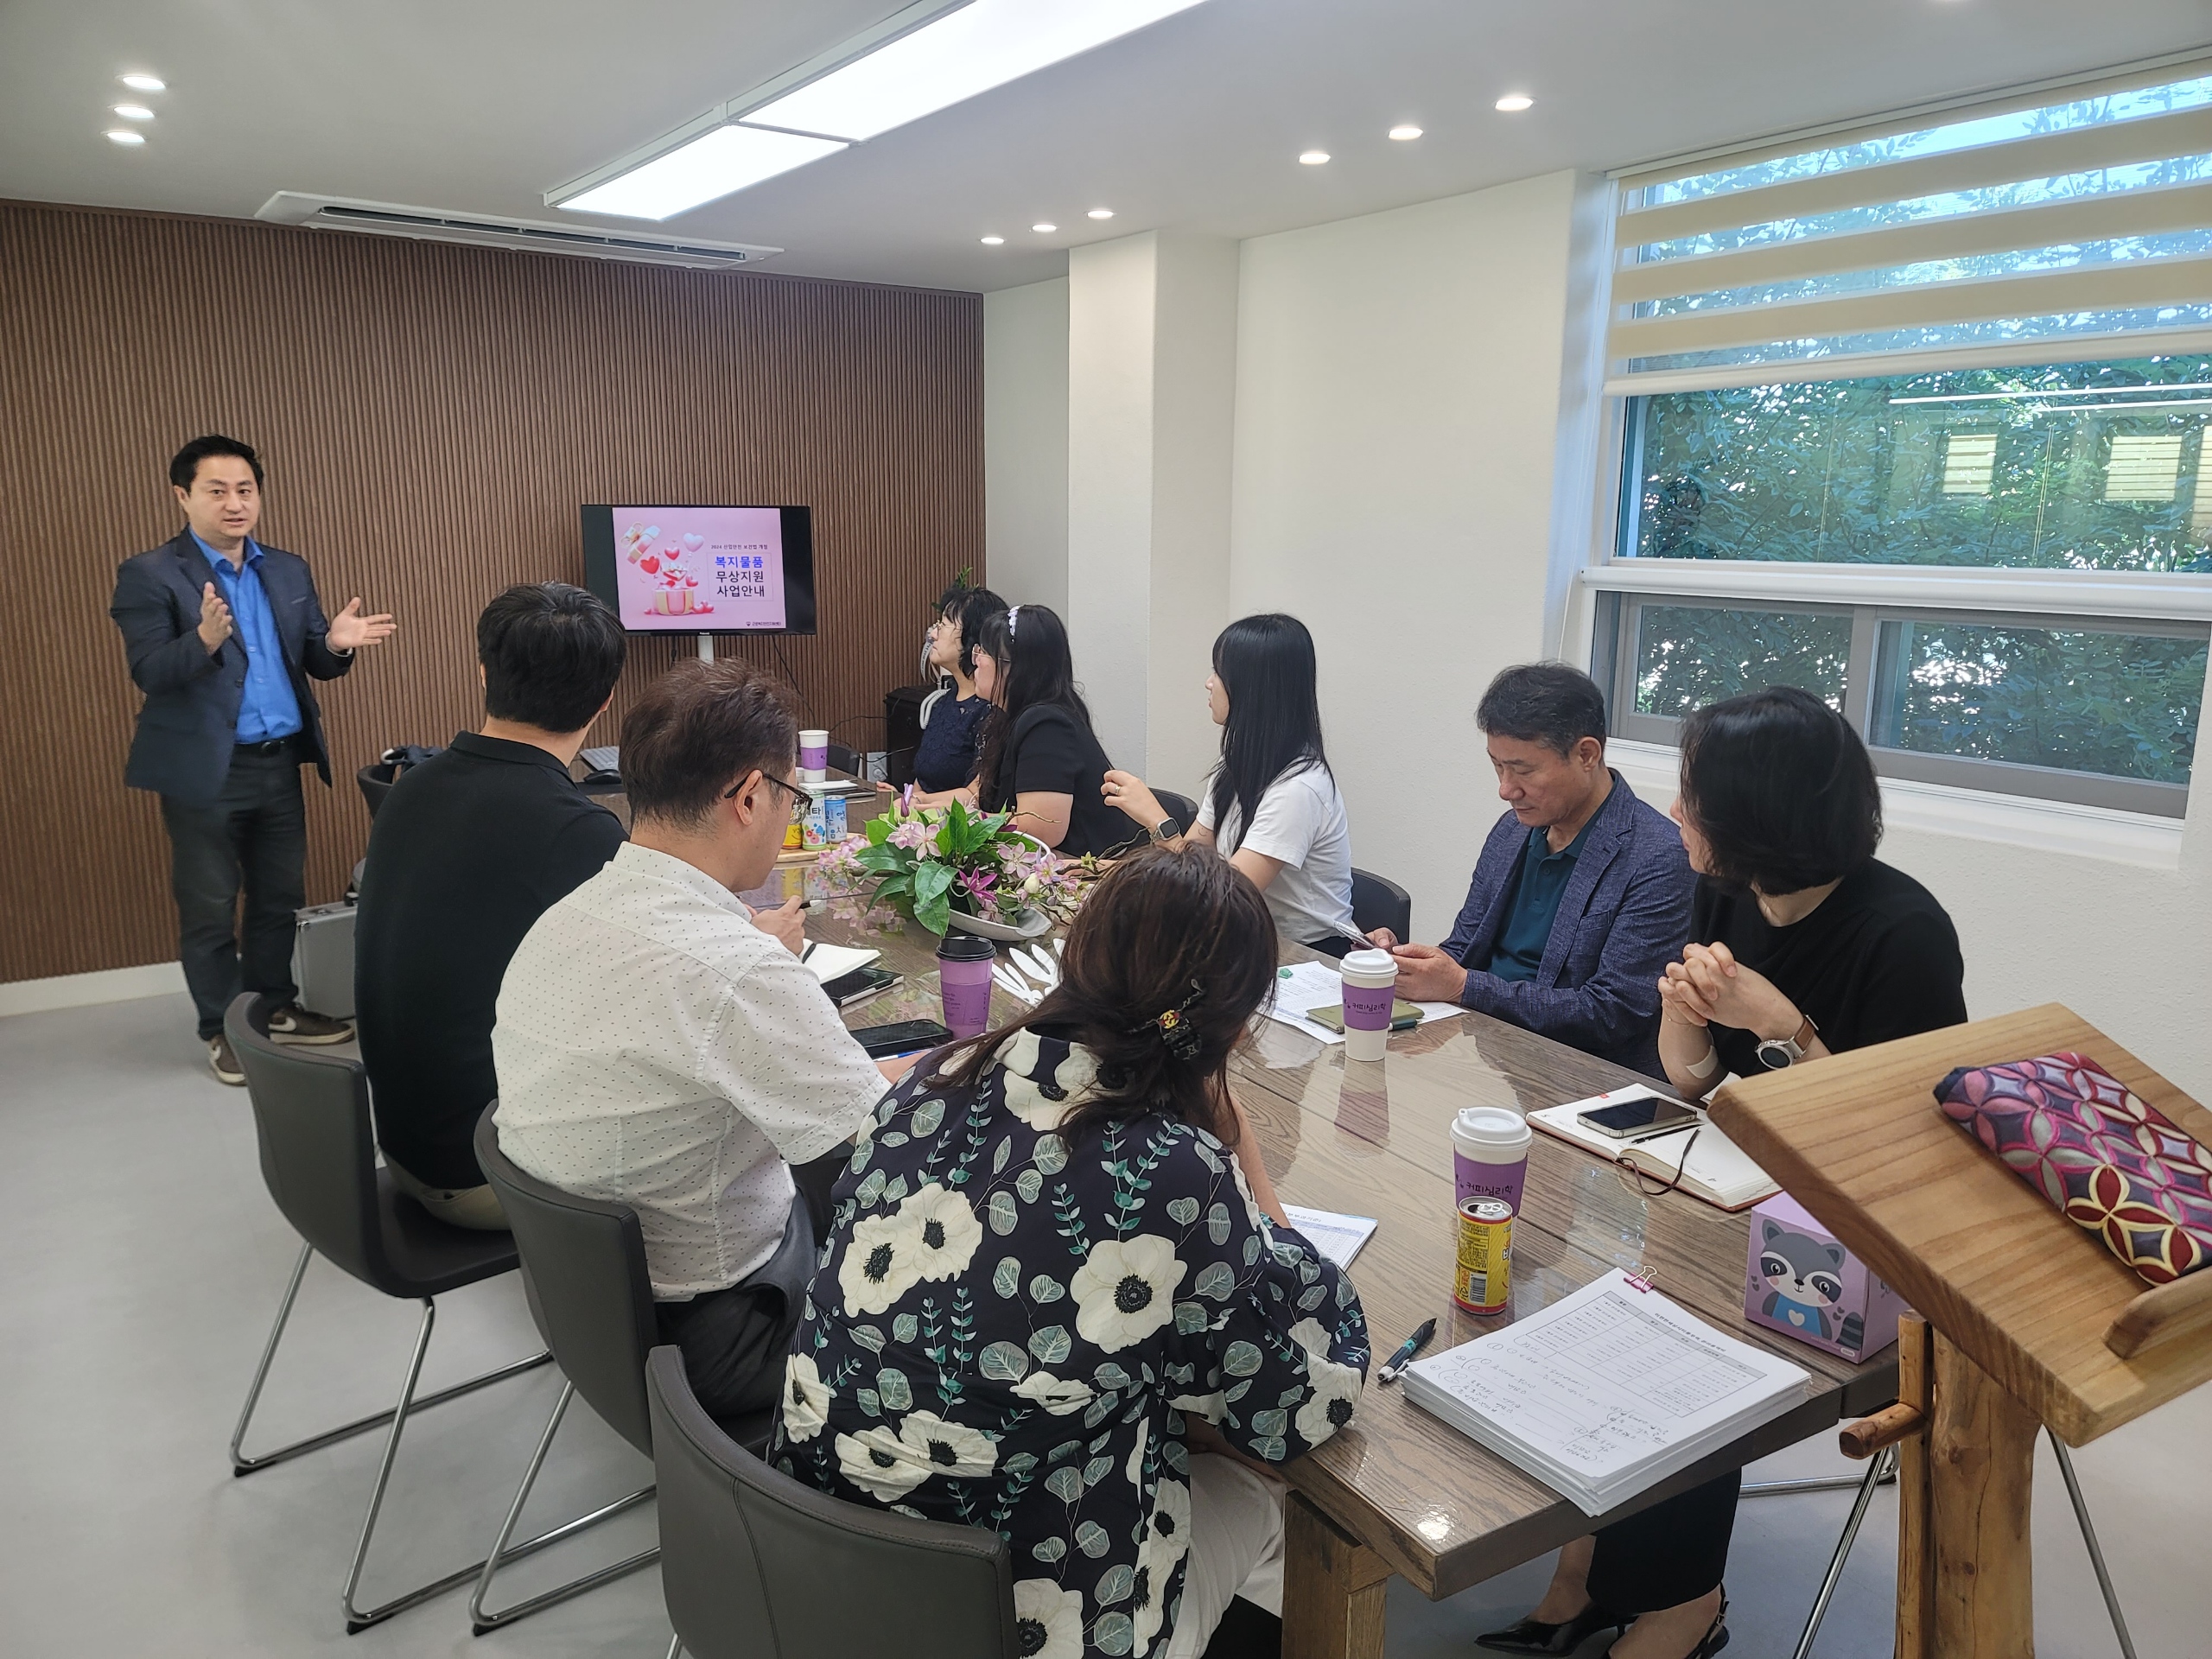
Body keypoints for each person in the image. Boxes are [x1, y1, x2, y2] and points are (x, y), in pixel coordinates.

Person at [772, 845, 1370, 1659]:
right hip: (1014, 1619)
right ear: (1231, 1027)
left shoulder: (933, 1079)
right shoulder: (1175, 1168)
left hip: (814, 1565)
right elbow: (1300, 1399)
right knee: (1274, 1484)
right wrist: (1240, 1150)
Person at [1479, 685, 1966, 1659]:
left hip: (1856, 1223)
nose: (1673, 812)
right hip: (1739, 1180)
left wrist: (1783, 1025)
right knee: (1598, 1296)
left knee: (1676, 1343)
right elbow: (1695, 1083)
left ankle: (1682, 1606)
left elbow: (1900, 1139)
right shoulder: (1728, 892)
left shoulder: (1902, 931)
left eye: (1693, 795)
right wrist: (1685, 1016)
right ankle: (1584, 1573)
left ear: (1757, 814)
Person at [493, 661, 915, 1417]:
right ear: (750, 797)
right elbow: (881, 1148)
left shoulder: (563, 917)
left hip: (583, 1313)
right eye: (791, 797)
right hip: (719, 1341)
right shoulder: (736, 971)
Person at [109, 434, 397, 1084]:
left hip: (278, 763)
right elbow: (150, 671)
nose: (234, 503)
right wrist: (205, 640)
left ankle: (273, 1009)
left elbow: (316, 659)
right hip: (205, 772)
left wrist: (339, 644)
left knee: (279, 899)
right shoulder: (150, 574)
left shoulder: (287, 569)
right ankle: (223, 1028)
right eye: (217, 491)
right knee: (211, 905)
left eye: (245, 490)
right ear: (183, 496)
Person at [352, 583, 628, 1230]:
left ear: (482, 672)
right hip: (486, 1174)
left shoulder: (411, 788)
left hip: (408, 1146)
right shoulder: (576, 832)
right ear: (607, 699)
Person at [1372, 664, 1694, 1079]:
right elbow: (1465, 948)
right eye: (1497, 767)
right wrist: (1405, 963)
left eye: (1523, 771)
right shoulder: (1513, 831)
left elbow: (1613, 1013)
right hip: (1485, 1048)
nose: (1506, 789)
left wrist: (1464, 986)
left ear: (1586, 755)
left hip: (1584, 1074)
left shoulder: (1659, 857)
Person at [1102, 613, 1358, 953]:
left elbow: (1227, 898)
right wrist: (1112, 870)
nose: (1209, 683)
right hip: (1245, 938)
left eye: (1219, 673)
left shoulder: (1300, 788)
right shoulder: (1237, 765)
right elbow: (1193, 860)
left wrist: (1158, 821)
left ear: (1252, 688)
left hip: (1307, 956)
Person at [967, 603, 1131, 858]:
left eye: (983, 652)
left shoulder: (1048, 725)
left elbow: (1041, 830)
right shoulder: (1008, 718)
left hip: (1085, 871)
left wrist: (964, 825)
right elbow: (981, 796)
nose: (975, 660)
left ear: (1013, 666)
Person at [910, 580, 1007, 800]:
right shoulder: (945, 701)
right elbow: (923, 779)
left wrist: (917, 802)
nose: (933, 635)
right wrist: (903, 799)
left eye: (943, 626)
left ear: (972, 638)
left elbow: (977, 795)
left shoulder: (993, 710)